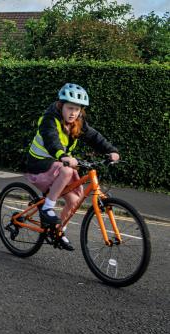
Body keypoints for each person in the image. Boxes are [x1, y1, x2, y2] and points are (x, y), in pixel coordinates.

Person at [25, 83, 120, 251]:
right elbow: (51, 139)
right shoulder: (49, 119)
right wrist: (62, 155)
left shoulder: (78, 122)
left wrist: (111, 150)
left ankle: (59, 232)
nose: (73, 113)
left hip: (59, 164)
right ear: (61, 105)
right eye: (70, 108)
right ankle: (47, 208)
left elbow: (94, 137)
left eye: (77, 109)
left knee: (75, 201)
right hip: (39, 164)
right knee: (68, 170)